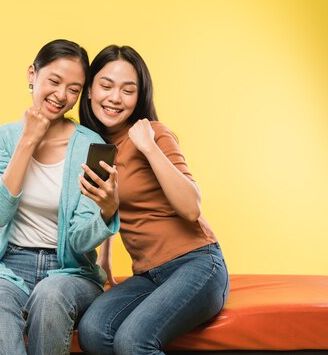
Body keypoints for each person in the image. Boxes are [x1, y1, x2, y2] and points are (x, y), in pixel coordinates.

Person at [77, 45, 229, 355]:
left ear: (139, 96)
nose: (115, 97)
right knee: (94, 332)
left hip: (198, 264)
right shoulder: (98, 147)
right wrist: (105, 260)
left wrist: (149, 147)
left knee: (133, 340)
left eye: (127, 90)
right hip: (148, 275)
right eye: (106, 86)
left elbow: (191, 208)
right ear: (90, 91)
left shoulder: (153, 134)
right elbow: (113, 201)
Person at [0, 39, 120, 355]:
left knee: (52, 296)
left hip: (70, 271)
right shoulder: (4, 137)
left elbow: (79, 242)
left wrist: (105, 214)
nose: (61, 96)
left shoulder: (90, 145)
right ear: (32, 75)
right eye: (54, 81)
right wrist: (28, 141)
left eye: (74, 89)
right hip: (8, 265)